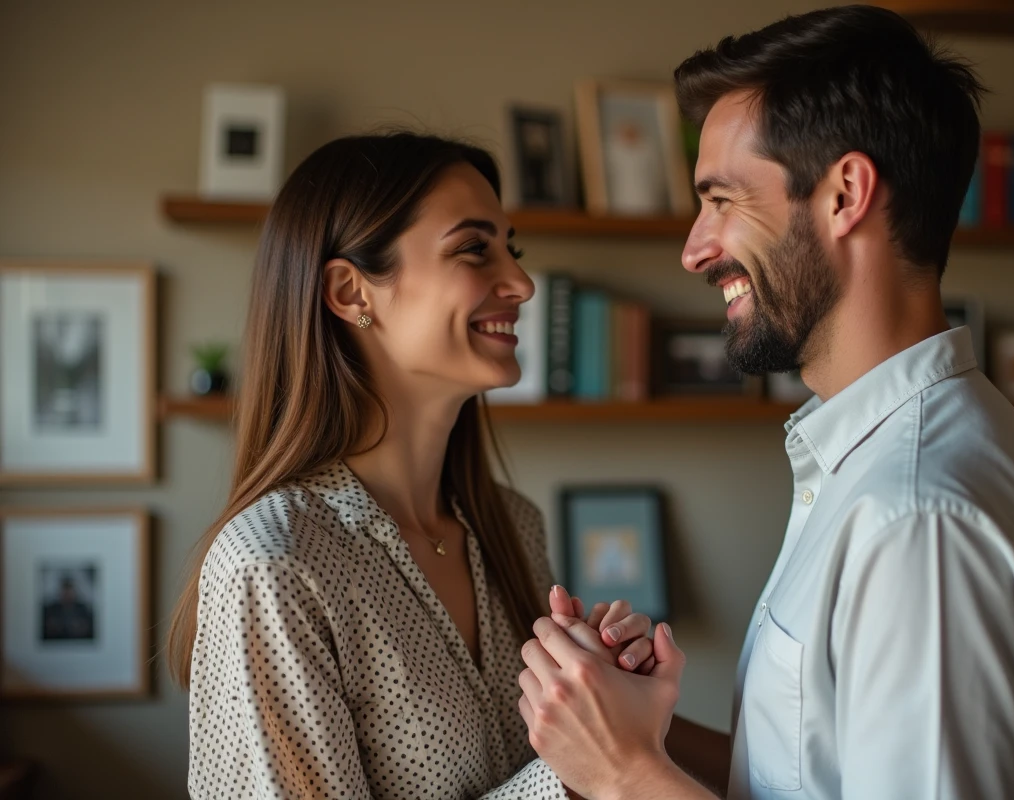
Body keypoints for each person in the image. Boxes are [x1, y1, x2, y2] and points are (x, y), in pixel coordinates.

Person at [519, 6, 1014, 799]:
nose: (694, 247)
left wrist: (627, 775)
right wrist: (623, 726)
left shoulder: (916, 519)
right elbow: (803, 776)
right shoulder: (881, 464)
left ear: (845, 194)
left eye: (722, 200)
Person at [166, 131, 655, 800]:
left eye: (510, 249)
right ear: (349, 291)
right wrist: (587, 771)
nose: (520, 282)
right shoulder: (273, 568)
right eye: (473, 249)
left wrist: (613, 695)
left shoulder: (516, 528)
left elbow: (609, 752)